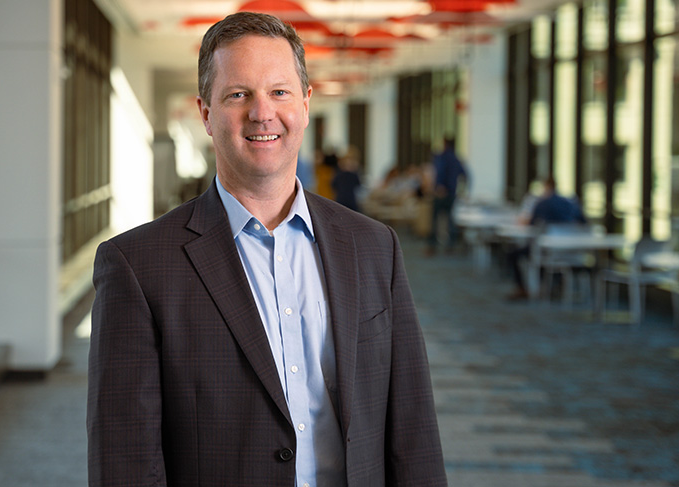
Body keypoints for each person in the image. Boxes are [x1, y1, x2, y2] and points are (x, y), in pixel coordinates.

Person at [87, 12, 447, 487]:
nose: (262, 112)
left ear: (305, 103)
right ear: (206, 114)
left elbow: (413, 430)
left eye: (279, 92)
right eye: (238, 95)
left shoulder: (373, 246)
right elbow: (125, 461)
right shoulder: (138, 267)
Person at [506, 177, 587, 300]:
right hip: (573, 253)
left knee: (517, 254)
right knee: (538, 254)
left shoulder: (542, 204)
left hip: (549, 252)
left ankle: (522, 289)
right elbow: (583, 223)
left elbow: (531, 224)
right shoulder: (571, 203)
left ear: (546, 187)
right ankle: (555, 285)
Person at [425, 137, 468, 256]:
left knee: (435, 220)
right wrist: (462, 190)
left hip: (440, 193)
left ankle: (432, 245)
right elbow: (465, 175)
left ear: (445, 144)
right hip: (452, 193)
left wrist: (439, 186)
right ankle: (450, 246)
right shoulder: (457, 159)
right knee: (450, 220)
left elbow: (439, 172)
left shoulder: (441, 157)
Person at [331, 146, 362, 212]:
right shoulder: (351, 174)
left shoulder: (340, 173)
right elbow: (358, 185)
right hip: (347, 199)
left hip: (343, 199)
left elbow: (333, 185)